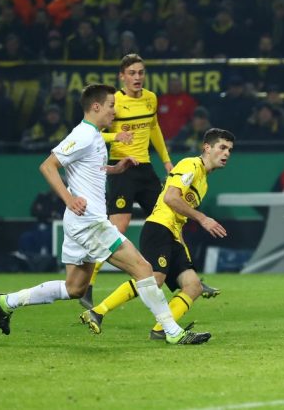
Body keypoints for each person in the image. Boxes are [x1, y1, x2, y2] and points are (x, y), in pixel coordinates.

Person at [0, 83, 209, 345]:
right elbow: (48, 166)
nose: (114, 112)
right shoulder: (82, 134)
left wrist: (115, 170)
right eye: (111, 106)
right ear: (96, 106)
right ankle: (173, 332)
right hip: (89, 221)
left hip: (82, 222)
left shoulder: (94, 135)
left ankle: (6, 301)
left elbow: (88, 168)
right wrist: (69, 199)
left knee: (74, 288)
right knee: (144, 269)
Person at [81, 54, 219, 308]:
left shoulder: (150, 98)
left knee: (171, 220)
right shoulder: (114, 102)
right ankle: (88, 286)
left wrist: (166, 161)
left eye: (141, 73)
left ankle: (187, 278)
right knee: (117, 230)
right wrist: (116, 138)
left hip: (145, 169)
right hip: (123, 170)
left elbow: (154, 128)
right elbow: (94, 133)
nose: (137, 77)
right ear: (122, 76)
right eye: (132, 73)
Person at [80, 128, 234, 339]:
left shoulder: (204, 181)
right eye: (222, 147)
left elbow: (179, 214)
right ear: (207, 148)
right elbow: (171, 198)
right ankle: (97, 312)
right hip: (159, 228)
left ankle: (161, 330)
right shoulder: (191, 165)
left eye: (230, 150)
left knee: (193, 286)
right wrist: (202, 218)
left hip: (172, 234)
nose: (226, 154)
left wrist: (185, 254)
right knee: (154, 279)